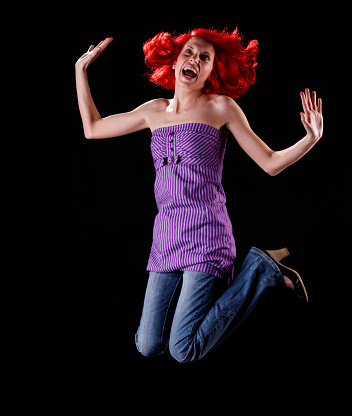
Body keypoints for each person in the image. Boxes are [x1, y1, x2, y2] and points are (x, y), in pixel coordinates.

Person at [75, 28, 323, 362]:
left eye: (205, 58)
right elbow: (92, 128)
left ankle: (261, 269)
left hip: (206, 236)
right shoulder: (153, 111)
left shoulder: (221, 107)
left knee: (183, 349)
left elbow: (270, 163)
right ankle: (262, 272)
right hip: (165, 239)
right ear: (174, 60)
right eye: (190, 52)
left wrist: (310, 138)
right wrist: (80, 70)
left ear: (210, 72)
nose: (195, 59)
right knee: (148, 345)